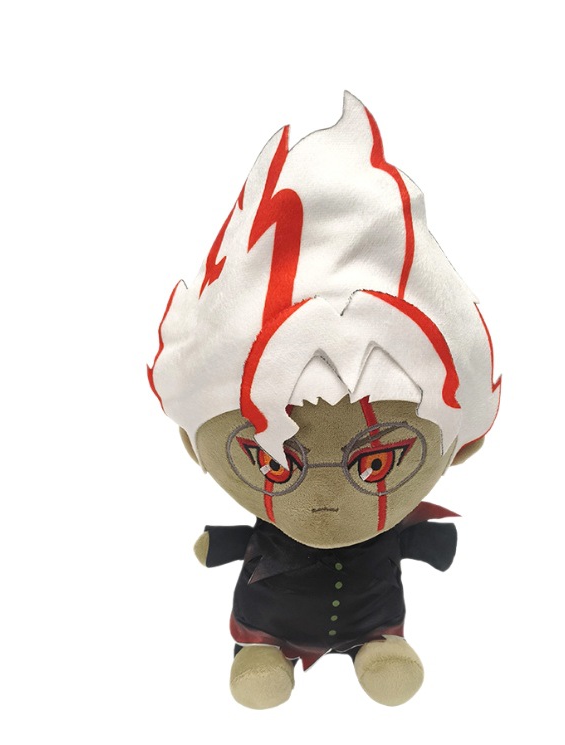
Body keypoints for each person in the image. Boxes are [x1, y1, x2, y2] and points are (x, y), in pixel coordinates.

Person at [148, 92, 500, 708]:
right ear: (192, 441)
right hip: (270, 617)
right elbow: (228, 543)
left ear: (462, 444)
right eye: (274, 463)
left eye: (377, 464)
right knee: (263, 653)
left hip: (370, 616)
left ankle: (376, 648)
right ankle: (262, 652)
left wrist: (429, 543)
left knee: (380, 645)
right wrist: (217, 543)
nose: (325, 502)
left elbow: (421, 543)